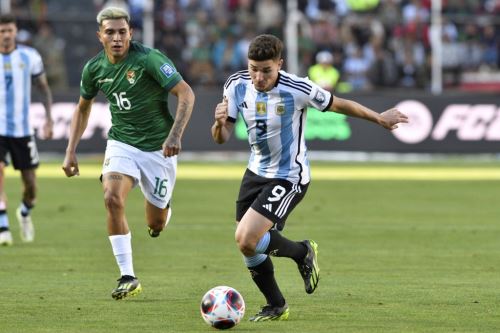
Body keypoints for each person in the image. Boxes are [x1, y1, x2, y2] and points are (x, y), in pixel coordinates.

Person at [211, 34, 408, 321]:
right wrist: (218, 124)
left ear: (280, 64)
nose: (258, 77)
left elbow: (340, 104)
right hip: (255, 172)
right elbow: (221, 137)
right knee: (247, 244)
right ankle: (276, 304)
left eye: (266, 70)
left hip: (289, 175)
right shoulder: (236, 85)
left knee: (246, 238)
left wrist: (379, 118)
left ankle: (302, 252)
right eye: (253, 68)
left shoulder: (298, 88)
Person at [62, 7, 195, 300]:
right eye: (110, 32)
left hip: (159, 149)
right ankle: (128, 275)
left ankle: (162, 209)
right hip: (122, 143)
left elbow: (186, 94)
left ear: (131, 33)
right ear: (100, 36)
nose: (117, 37)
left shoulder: (149, 59)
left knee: (155, 223)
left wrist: (175, 135)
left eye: (122, 32)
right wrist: (71, 150)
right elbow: (82, 108)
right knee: (111, 198)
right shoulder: (94, 68)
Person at [0, 14, 53, 246]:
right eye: (2, 31)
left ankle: (24, 212)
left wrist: (49, 119)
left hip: (23, 130)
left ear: (16, 31)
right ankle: (2, 225)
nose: (6, 35)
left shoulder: (29, 56)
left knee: (30, 186)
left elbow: (43, 88)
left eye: (9, 30)